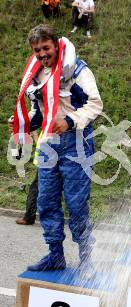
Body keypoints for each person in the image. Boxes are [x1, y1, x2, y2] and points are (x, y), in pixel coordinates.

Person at [11, 24, 103, 273]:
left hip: (77, 143)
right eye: (37, 50)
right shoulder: (37, 74)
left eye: (46, 48)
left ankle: (86, 259)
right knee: (46, 201)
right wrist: (25, 122)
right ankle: (55, 255)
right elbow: (39, 111)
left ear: (56, 45)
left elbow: (95, 104)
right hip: (49, 143)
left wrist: (71, 121)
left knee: (76, 204)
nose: (42, 54)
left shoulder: (78, 70)